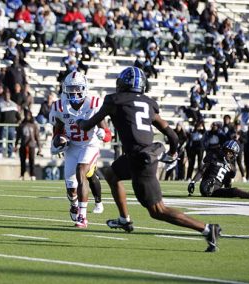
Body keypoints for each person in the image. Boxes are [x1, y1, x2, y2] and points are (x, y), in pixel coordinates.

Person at [77, 66, 221, 252]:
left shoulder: (114, 100)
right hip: (139, 154)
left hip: (141, 160)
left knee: (158, 211)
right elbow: (172, 135)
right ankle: (124, 220)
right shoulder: (148, 103)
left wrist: (79, 122)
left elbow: (88, 124)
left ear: (122, 83)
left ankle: (208, 229)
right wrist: (173, 152)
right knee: (112, 173)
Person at [49, 71, 113, 228]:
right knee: (71, 189)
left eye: (77, 88)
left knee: (81, 171)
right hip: (72, 146)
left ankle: (82, 217)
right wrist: (58, 142)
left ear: (85, 88)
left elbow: (108, 135)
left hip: (89, 144)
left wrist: (101, 133)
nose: (74, 92)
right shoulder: (59, 106)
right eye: (70, 88)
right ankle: (74, 204)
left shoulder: (94, 104)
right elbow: (58, 131)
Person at [14, 110, 42, 180]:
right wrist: (16, 145)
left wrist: (39, 148)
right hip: (23, 145)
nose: (27, 116)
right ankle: (22, 174)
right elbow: (18, 136)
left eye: (28, 115)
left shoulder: (34, 125)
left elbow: (37, 137)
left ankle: (32, 174)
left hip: (31, 145)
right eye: (26, 115)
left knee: (31, 161)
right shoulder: (21, 125)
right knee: (22, 161)